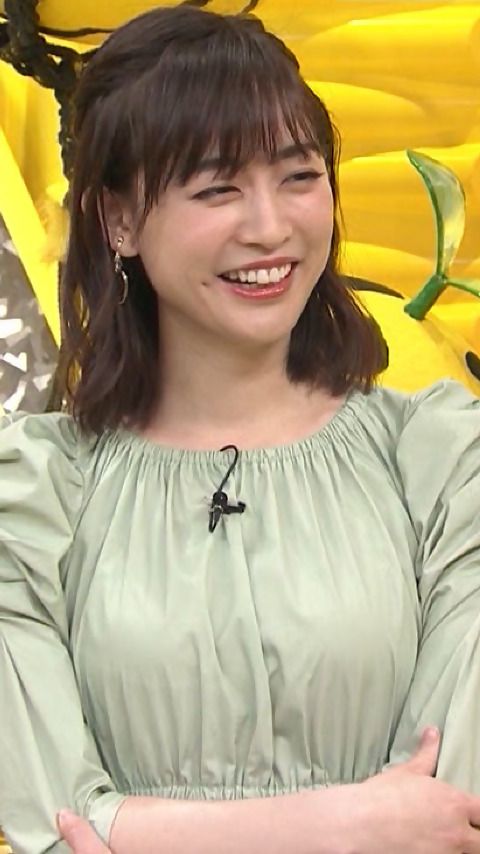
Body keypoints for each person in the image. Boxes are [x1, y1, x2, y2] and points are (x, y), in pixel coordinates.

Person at [1, 5, 480, 853]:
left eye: (298, 176)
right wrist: (341, 826)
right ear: (118, 220)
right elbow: (52, 820)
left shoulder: (441, 464)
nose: (269, 227)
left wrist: (146, 832)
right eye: (217, 188)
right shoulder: (37, 498)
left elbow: (448, 810)